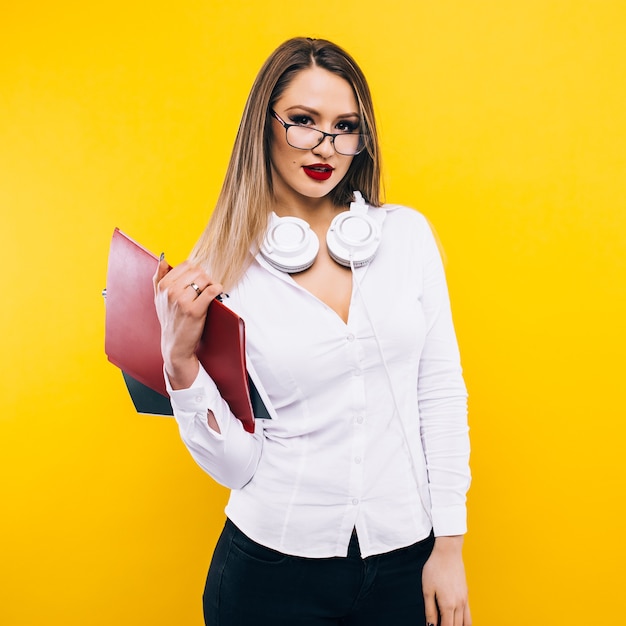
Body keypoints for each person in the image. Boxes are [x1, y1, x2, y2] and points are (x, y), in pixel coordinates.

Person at [153, 37, 471, 626]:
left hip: (405, 558)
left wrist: (448, 546)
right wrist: (180, 366)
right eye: (303, 121)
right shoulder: (218, 270)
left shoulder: (406, 238)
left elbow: (441, 394)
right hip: (270, 573)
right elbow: (237, 467)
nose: (325, 145)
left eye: (344, 126)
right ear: (264, 125)